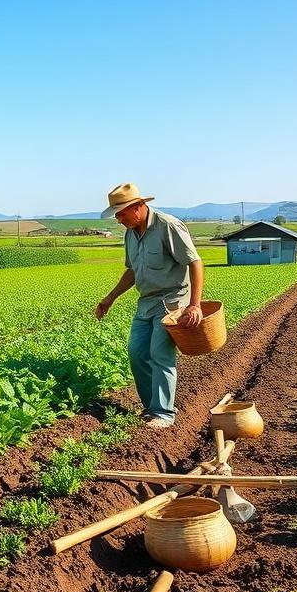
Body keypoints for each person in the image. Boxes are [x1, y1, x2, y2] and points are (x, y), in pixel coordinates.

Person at [95, 183, 204, 429]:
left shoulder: (168, 226)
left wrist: (194, 305)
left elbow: (195, 263)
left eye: (121, 213)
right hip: (146, 302)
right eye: (116, 214)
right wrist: (109, 298)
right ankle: (150, 407)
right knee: (137, 353)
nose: (118, 219)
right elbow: (132, 271)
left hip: (172, 300)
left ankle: (164, 413)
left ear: (139, 207)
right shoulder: (130, 234)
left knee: (160, 354)